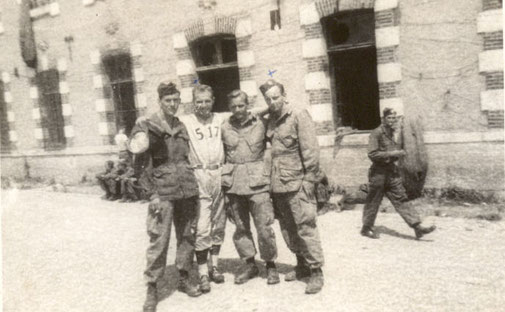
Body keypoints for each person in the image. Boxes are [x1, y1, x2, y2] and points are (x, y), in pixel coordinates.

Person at [130, 82, 202, 312]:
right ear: (159, 101)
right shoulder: (146, 125)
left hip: (185, 188)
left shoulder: (180, 125)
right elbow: (138, 165)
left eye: (176, 100)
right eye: (168, 100)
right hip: (162, 191)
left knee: (187, 235)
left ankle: (183, 277)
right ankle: (152, 288)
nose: (172, 104)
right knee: (159, 241)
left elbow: (186, 157)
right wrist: (150, 194)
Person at [259, 79, 326, 295]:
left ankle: (316, 271)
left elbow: (311, 152)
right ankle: (302, 265)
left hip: (298, 183)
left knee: (306, 226)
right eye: (268, 98)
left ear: (284, 95)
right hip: (278, 185)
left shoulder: (298, 115)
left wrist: (309, 181)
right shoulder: (269, 119)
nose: (272, 102)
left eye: (276, 97)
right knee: (288, 229)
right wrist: (265, 109)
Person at [221, 89, 279, 285]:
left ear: (248, 105)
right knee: (240, 228)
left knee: (264, 228)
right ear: (229, 108)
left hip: (258, 183)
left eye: (241, 105)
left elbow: (273, 108)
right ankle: (250, 264)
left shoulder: (261, 123)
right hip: (234, 184)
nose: (238, 110)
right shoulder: (224, 127)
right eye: (233, 107)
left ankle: (270, 265)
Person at [178, 85, 228, 293]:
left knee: (219, 223)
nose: (203, 105)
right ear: (193, 103)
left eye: (207, 101)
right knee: (203, 225)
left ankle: (214, 266)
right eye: (199, 101)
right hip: (199, 173)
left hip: (218, 173)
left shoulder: (220, 118)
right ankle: (202, 274)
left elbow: (249, 111)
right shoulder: (186, 120)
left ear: (213, 100)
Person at [360, 107, 436, 240]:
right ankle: (366, 228)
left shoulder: (392, 132)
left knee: (401, 198)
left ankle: (417, 227)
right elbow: (372, 154)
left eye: (394, 118)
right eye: (389, 118)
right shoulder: (376, 133)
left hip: (391, 172)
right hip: (378, 173)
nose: (392, 120)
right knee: (374, 201)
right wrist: (393, 153)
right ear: (383, 119)